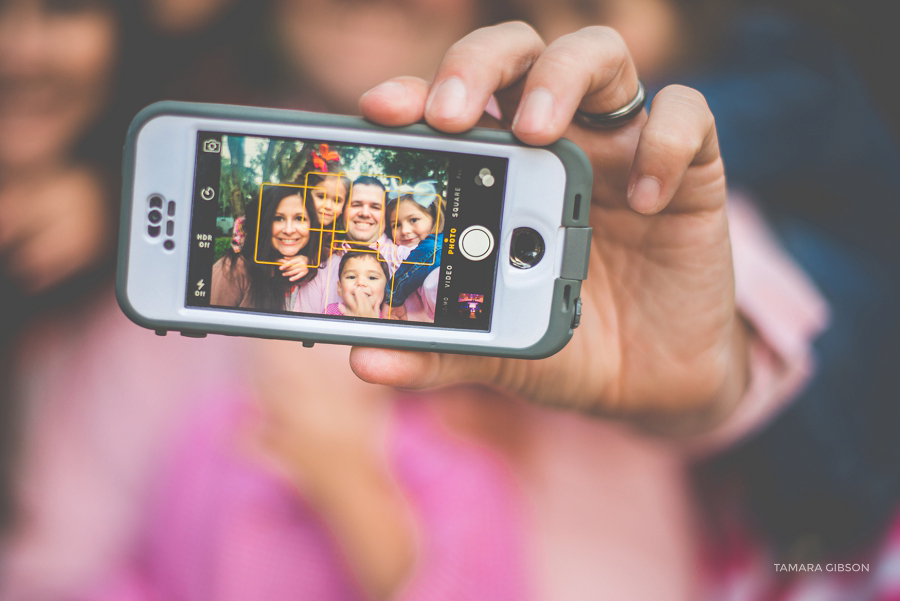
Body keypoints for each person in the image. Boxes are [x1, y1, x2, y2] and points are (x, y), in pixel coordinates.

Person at [211, 184, 317, 311]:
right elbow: (207, 326)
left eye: (300, 218)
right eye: (278, 218)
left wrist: (312, 262)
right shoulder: (233, 269)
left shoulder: (315, 267)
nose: (289, 230)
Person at [382, 184, 444, 321]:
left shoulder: (435, 254)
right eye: (396, 225)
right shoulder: (391, 249)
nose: (404, 230)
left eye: (413, 220)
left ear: (434, 219)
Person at [324, 252, 390, 318]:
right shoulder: (330, 312)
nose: (360, 283)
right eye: (351, 277)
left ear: (386, 289)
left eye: (372, 278)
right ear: (340, 288)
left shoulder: (386, 319)